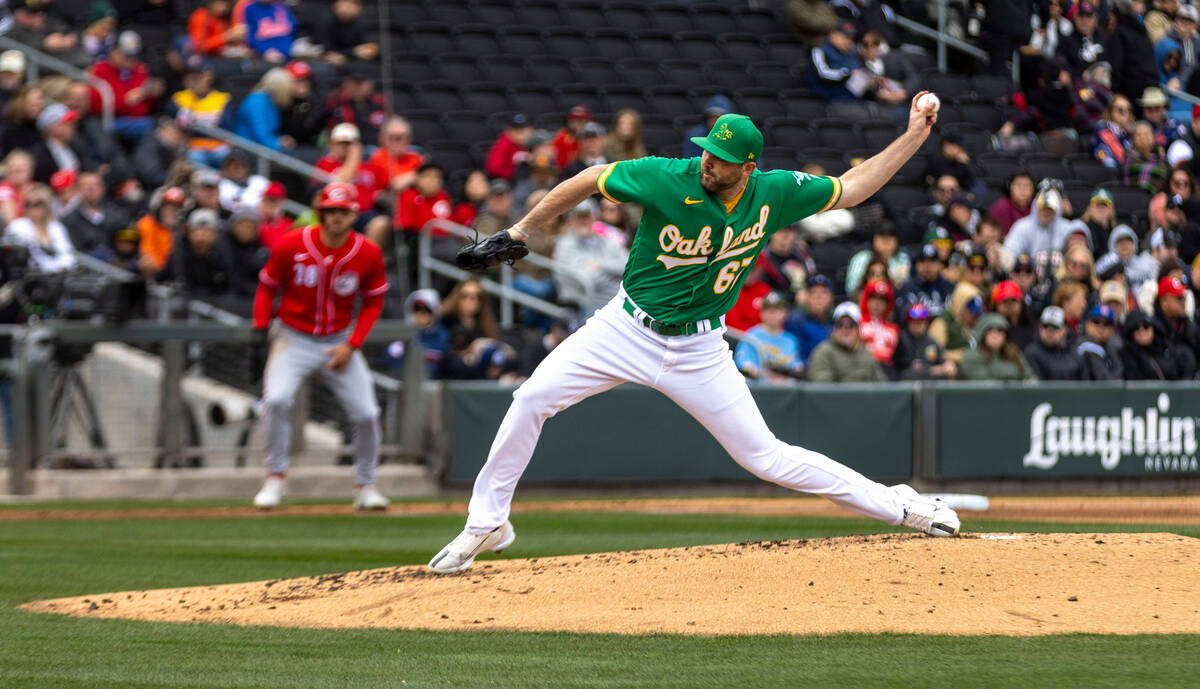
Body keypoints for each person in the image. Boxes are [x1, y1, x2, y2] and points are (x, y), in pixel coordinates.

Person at [427, 97, 961, 575]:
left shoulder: (774, 192)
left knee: (766, 457)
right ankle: (487, 523)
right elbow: (591, 178)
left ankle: (901, 505)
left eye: (720, 156)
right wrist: (522, 230)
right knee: (530, 399)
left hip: (700, 349)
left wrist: (914, 134)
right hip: (625, 328)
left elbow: (855, 187)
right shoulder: (667, 176)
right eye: (706, 150)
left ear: (747, 166)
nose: (707, 160)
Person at [251, 182, 389, 510]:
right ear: (320, 212)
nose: (336, 217)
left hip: (339, 341)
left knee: (367, 413)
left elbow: (373, 301)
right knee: (278, 399)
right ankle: (275, 478)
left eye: (343, 211)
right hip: (293, 337)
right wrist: (260, 329)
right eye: (330, 211)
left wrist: (353, 345)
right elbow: (268, 286)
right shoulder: (292, 243)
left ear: (353, 214)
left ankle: (366, 485)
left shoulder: (367, 251)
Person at [552, 199, 628, 315]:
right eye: (578, 217)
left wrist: (601, 265)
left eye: (586, 217)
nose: (583, 221)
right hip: (581, 305)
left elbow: (628, 265)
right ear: (571, 220)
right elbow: (586, 279)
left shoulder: (606, 241)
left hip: (614, 302)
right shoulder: (564, 245)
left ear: (595, 218)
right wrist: (615, 278)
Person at [87, 31, 162, 143]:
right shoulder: (100, 70)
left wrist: (152, 94)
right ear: (113, 51)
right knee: (153, 129)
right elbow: (95, 105)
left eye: (134, 55)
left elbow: (145, 105)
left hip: (139, 119)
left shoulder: (139, 69)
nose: (131, 59)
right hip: (111, 120)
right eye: (127, 55)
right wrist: (125, 101)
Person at [169, 61, 234, 169]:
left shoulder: (222, 98)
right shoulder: (180, 98)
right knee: (196, 157)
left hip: (217, 146)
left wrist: (196, 122)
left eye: (199, 76)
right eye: (192, 76)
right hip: (192, 147)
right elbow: (178, 125)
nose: (195, 79)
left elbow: (225, 126)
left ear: (209, 77)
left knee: (225, 156)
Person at [806, 301, 887, 382]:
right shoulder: (823, 353)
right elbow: (822, 388)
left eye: (851, 325)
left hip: (866, 394)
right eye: (840, 324)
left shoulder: (867, 354)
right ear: (834, 328)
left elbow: (882, 386)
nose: (845, 329)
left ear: (858, 329)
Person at [3, 184, 76, 273]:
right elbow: (34, 258)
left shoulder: (56, 227)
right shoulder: (18, 226)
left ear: (46, 205)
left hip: (60, 276)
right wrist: (55, 268)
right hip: (30, 277)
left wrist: (62, 267)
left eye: (37, 204)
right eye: (27, 204)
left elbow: (68, 253)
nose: (32, 208)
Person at [733, 291, 804, 384]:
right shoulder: (752, 335)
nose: (772, 314)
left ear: (785, 313)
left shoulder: (790, 339)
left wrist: (789, 373)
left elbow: (797, 367)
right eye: (768, 309)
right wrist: (763, 373)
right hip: (758, 388)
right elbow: (743, 363)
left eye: (776, 309)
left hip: (784, 390)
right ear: (761, 313)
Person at [1121, 308, 1197, 378]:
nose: (1142, 331)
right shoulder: (1127, 354)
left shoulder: (1166, 347)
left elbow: (1186, 368)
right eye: (1136, 328)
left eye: (1146, 326)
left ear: (1153, 328)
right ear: (1130, 332)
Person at [232, 68, 296, 151]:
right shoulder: (257, 102)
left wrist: (279, 139)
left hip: (261, 147)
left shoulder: (272, 101)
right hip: (247, 149)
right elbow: (260, 135)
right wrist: (278, 144)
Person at [1004, 188, 1073, 263]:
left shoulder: (1067, 228)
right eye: (1042, 208)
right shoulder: (1021, 226)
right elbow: (1009, 252)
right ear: (1035, 208)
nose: (1046, 212)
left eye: (1050, 209)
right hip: (1029, 271)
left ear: (1057, 211)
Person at [959, 312, 1035, 381]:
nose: (995, 334)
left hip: (1017, 395)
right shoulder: (972, 356)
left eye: (1000, 330)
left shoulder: (1013, 353)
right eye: (990, 330)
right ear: (982, 333)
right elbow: (984, 384)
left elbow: (1030, 377)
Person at [893, 302, 955, 380]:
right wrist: (933, 370)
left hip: (931, 382)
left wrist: (948, 366)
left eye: (921, 322)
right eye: (915, 322)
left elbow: (944, 363)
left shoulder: (931, 342)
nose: (918, 326)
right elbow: (908, 366)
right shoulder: (901, 339)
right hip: (906, 383)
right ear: (908, 323)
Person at [845, 222, 909, 295]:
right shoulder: (861, 258)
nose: (886, 241)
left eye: (890, 236)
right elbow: (851, 288)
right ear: (873, 239)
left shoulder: (903, 258)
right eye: (882, 236)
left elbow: (906, 287)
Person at [1023, 305, 1083, 380]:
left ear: (1064, 330)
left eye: (1055, 327)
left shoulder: (1074, 352)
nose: (1049, 331)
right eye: (1045, 326)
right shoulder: (1031, 353)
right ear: (1039, 327)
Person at [784, 274, 835, 362]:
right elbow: (795, 356)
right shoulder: (795, 321)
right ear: (806, 297)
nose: (818, 297)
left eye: (824, 292)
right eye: (813, 292)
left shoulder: (837, 320)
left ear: (831, 297)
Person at [136, 185, 185, 274]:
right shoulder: (146, 224)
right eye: (168, 207)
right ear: (159, 207)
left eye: (176, 208)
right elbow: (148, 256)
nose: (172, 212)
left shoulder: (180, 233)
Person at [896, 243, 954, 316]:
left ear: (940, 264)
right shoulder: (906, 289)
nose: (927, 266)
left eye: (932, 261)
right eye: (922, 261)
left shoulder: (950, 288)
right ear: (916, 265)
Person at [315, 0, 378, 66]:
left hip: (354, 59)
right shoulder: (325, 21)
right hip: (329, 59)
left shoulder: (362, 23)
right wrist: (353, 52)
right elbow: (324, 48)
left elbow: (368, 44)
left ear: (359, 9)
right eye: (342, 5)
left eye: (350, 6)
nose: (345, 9)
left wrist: (369, 49)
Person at [857, 278, 898, 369]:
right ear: (866, 300)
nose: (877, 303)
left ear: (888, 304)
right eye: (873, 298)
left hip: (887, 372)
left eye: (882, 299)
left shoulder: (894, 329)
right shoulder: (857, 323)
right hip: (862, 369)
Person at [1077, 304, 1125, 380]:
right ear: (1087, 324)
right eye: (1096, 322)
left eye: (1106, 323)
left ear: (1112, 329)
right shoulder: (1084, 346)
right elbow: (1105, 381)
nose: (1101, 327)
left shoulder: (1111, 348)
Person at [484, 113, 533, 181]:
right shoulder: (504, 144)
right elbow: (493, 169)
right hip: (507, 182)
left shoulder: (533, 142)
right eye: (517, 131)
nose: (521, 135)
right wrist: (512, 164)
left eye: (522, 131)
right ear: (509, 131)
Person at [1093, 94, 1135, 168]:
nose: (1124, 112)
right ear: (1111, 111)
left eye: (1128, 109)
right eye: (1120, 110)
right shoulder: (1103, 128)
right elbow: (1102, 155)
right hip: (1110, 171)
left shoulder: (1132, 131)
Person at [992, 279, 1037, 348]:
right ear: (996, 306)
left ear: (1021, 304)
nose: (1009, 305)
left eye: (1014, 300)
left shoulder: (1032, 327)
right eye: (1005, 301)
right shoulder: (991, 331)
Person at [552, 105, 592, 170]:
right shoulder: (562, 137)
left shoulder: (592, 137)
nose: (577, 123)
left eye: (580, 120)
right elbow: (559, 163)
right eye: (573, 120)